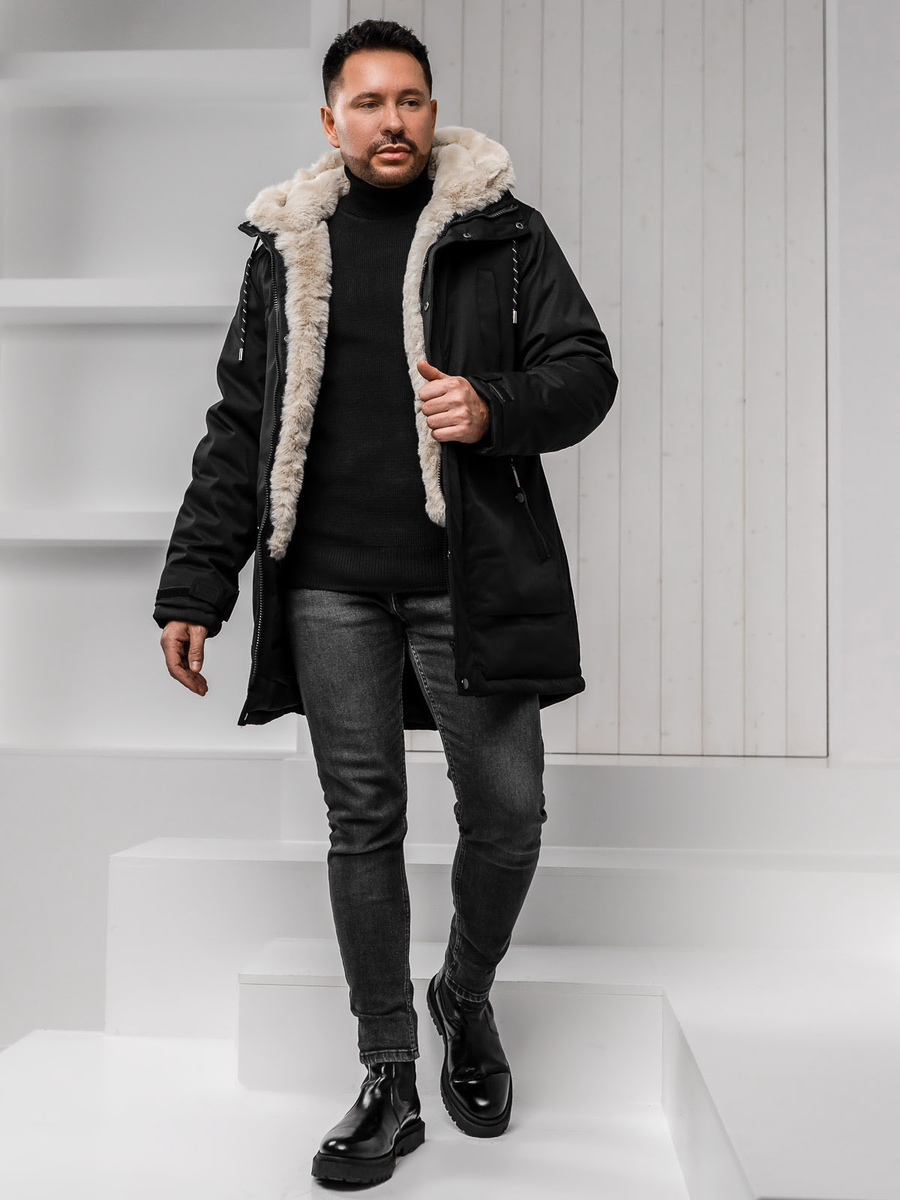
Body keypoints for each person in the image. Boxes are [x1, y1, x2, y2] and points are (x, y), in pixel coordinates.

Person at [153, 17, 617, 1187]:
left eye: (409, 99)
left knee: (509, 813)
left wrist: (494, 406)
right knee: (362, 822)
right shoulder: (285, 250)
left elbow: (585, 370)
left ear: (432, 110)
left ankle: (462, 994)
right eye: (367, 102)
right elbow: (239, 426)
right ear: (331, 120)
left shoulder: (502, 233)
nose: (391, 120)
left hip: (471, 579)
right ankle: (389, 1074)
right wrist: (196, 583)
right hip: (328, 586)